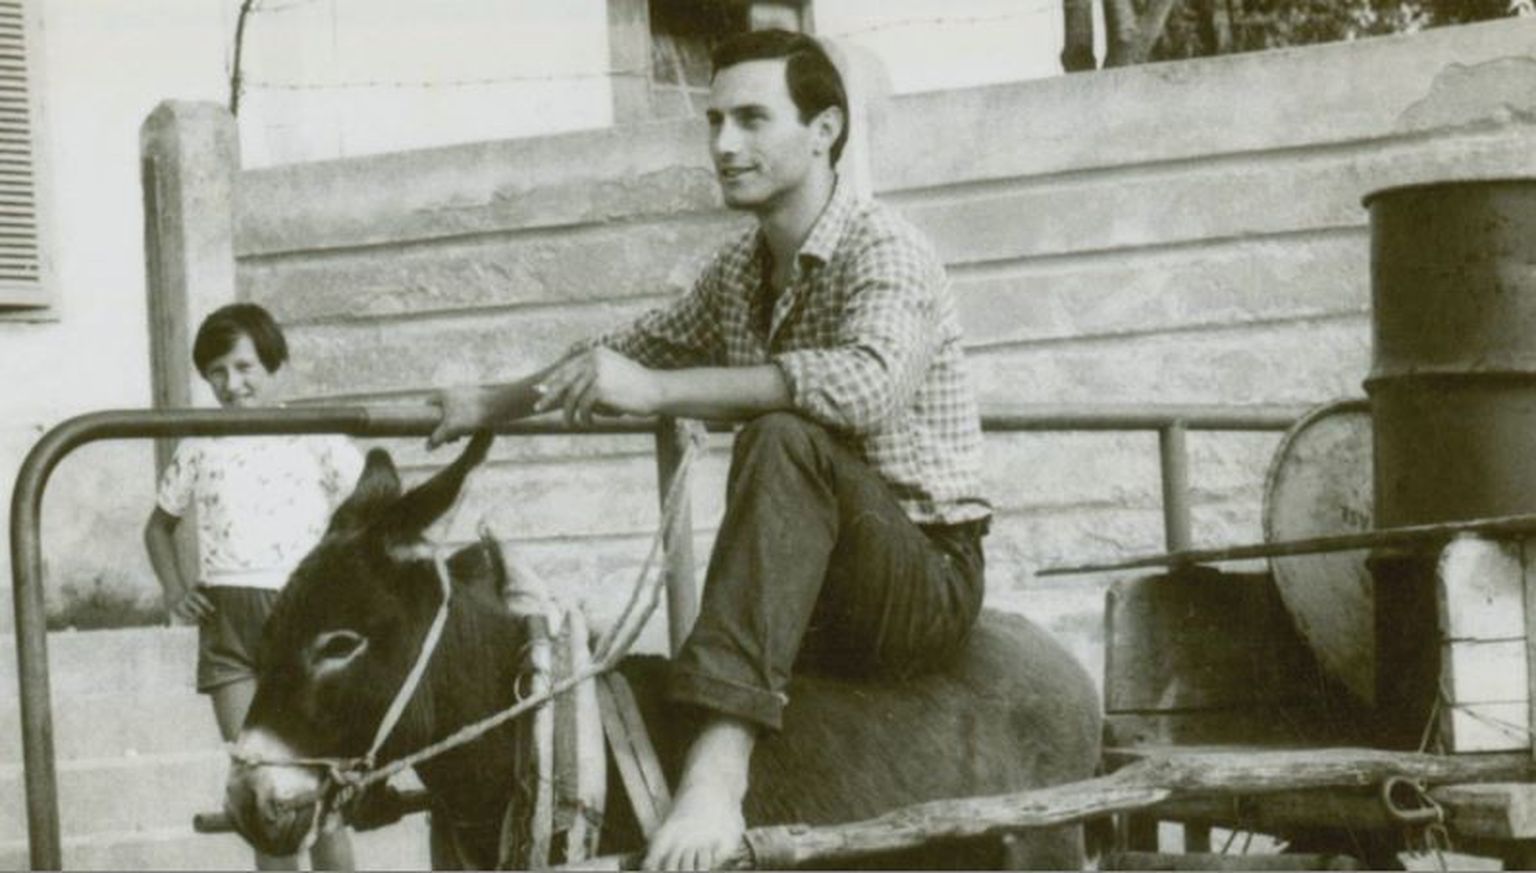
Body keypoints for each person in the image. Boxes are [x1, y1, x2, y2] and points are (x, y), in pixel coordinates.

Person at [429, 29, 990, 871]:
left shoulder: (888, 248)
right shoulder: (738, 270)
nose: (724, 144)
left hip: (920, 578)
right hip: (810, 588)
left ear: (826, 129)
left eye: (753, 119)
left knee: (783, 437)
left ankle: (718, 770)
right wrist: (488, 403)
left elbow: (863, 386)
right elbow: (621, 354)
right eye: (714, 121)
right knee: (778, 438)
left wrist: (658, 393)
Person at [143, 303, 360, 871]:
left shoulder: (317, 437)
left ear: (276, 366)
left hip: (303, 628)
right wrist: (175, 590)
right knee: (265, 795)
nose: (231, 384)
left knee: (320, 790)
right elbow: (158, 527)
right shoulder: (200, 443)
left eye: (244, 368)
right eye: (217, 372)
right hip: (229, 629)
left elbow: (375, 508)